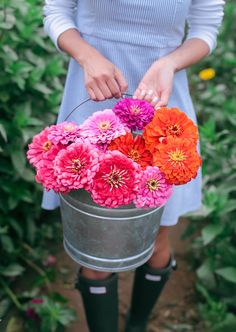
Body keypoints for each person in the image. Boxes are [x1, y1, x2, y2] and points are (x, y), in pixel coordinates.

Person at [43, 1, 225, 331]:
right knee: (94, 248)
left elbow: (205, 30)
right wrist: (86, 55)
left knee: (157, 237)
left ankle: (137, 324)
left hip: (162, 104)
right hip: (92, 100)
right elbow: (56, 10)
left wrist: (170, 62)